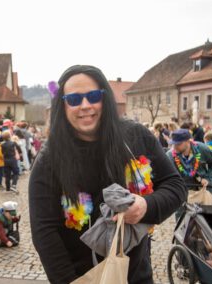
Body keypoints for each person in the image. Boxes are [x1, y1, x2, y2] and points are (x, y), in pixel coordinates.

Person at [29, 65, 186, 284]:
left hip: (137, 275)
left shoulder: (135, 136)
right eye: (74, 100)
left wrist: (146, 206)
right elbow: (44, 232)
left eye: (93, 96)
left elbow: (175, 186)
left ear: (105, 99)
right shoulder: (49, 159)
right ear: (62, 106)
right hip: (81, 277)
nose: (85, 106)